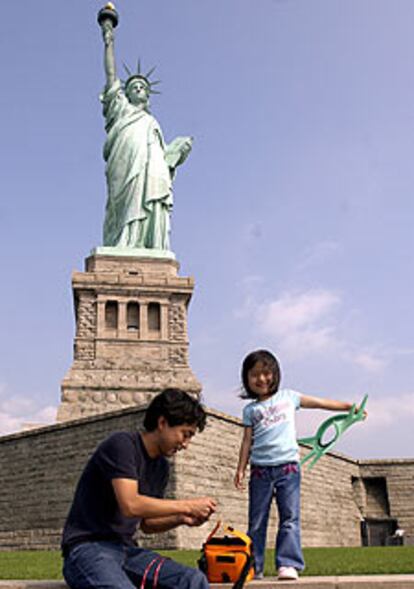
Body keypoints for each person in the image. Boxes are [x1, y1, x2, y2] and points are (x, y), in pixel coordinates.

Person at [62, 389, 217, 589]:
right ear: (162, 423)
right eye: (185, 434)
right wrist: (187, 506)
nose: (186, 444)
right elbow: (130, 505)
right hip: (88, 550)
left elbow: (148, 523)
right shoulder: (122, 445)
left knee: (193, 581)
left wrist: (182, 519)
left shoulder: (161, 466)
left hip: (127, 551)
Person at [234, 349, 367, 581]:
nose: (261, 379)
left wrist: (348, 407)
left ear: (275, 374)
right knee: (256, 521)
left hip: (288, 469)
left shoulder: (289, 397)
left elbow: (320, 402)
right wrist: (240, 468)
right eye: (254, 375)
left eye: (266, 373)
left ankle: (288, 564)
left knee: (290, 517)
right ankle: (254, 566)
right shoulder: (250, 410)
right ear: (247, 379)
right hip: (260, 471)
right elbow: (247, 441)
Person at [98, 8, 193, 250]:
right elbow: (111, 75)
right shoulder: (120, 108)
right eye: (134, 86)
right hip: (124, 163)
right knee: (121, 205)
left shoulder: (152, 124)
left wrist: (174, 153)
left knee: (151, 199)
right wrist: (108, 39)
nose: (138, 88)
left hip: (151, 172)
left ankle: (148, 244)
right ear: (126, 93)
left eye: (142, 86)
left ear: (148, 95)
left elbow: (162, 159)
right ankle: (123, 243)